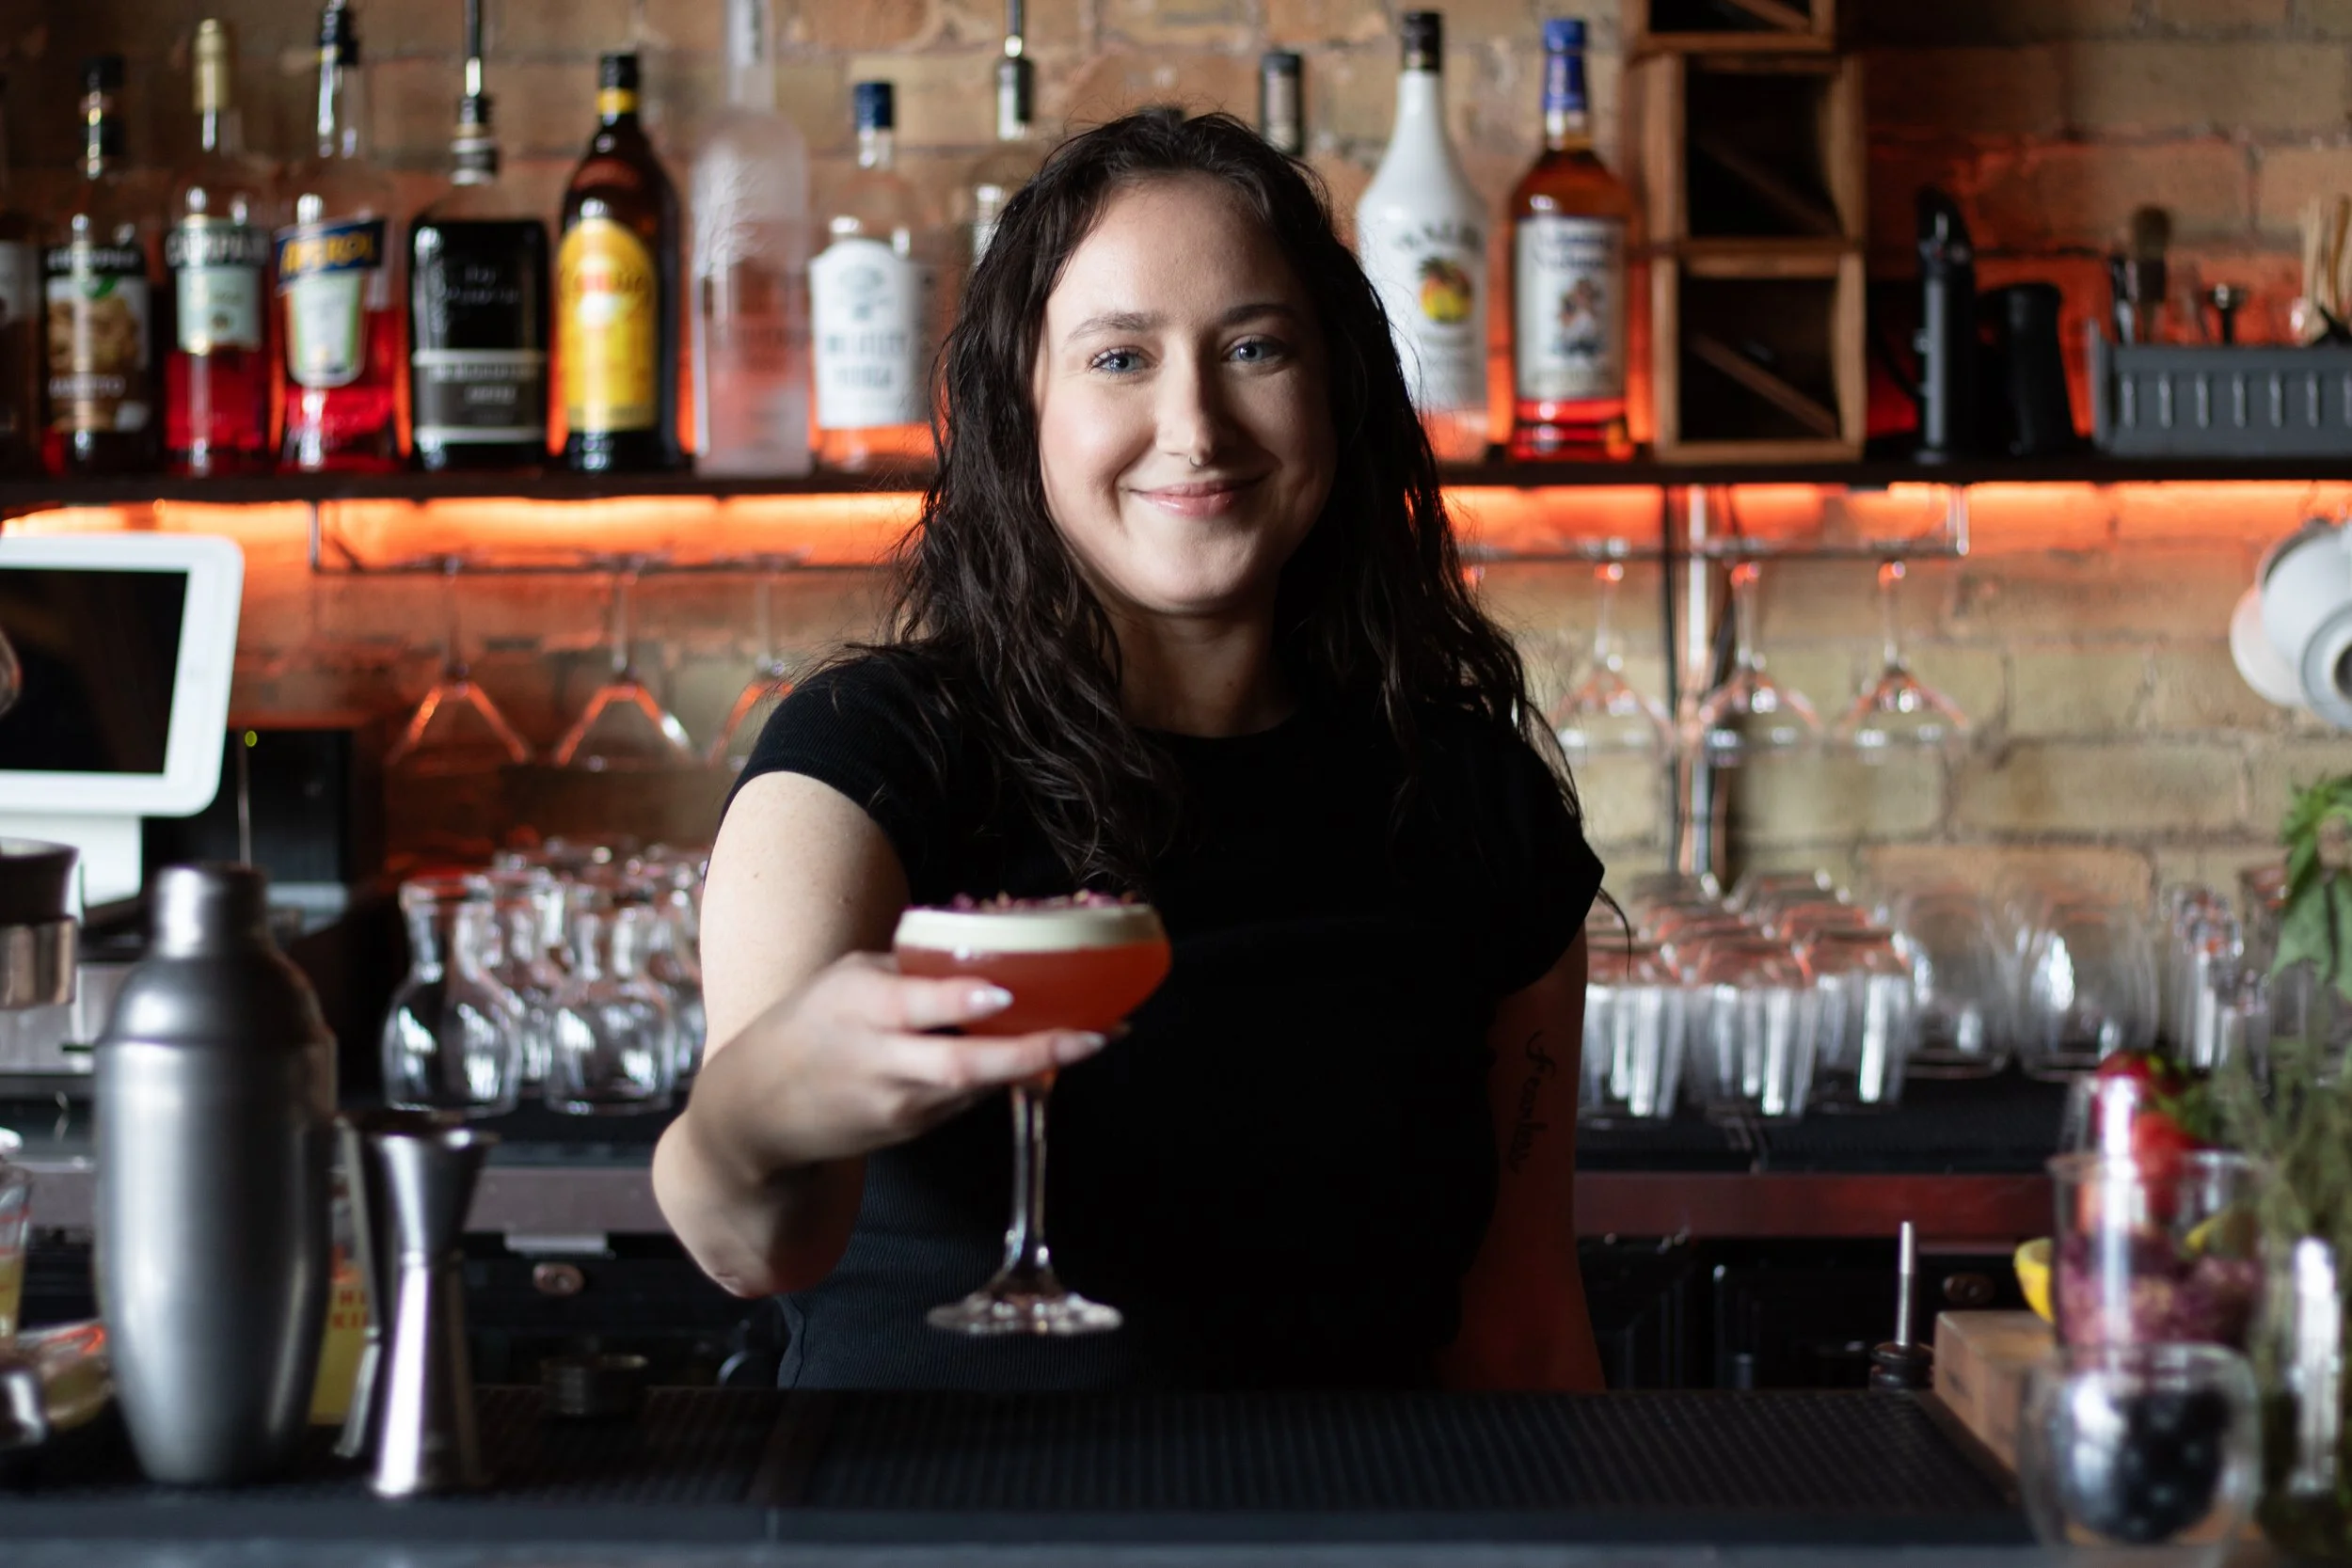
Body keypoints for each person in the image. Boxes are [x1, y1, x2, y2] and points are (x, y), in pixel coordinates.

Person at [653, 109, 1606, 1391]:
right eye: (1118, 359)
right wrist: (762, 1104)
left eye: (1255, 346)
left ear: (1339, 389)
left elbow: (1525, 1322)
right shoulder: (870, 755)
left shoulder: (1474, 800)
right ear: (1022, 408)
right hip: (939, 1525)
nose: (1196, 426)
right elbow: (753, 1239)